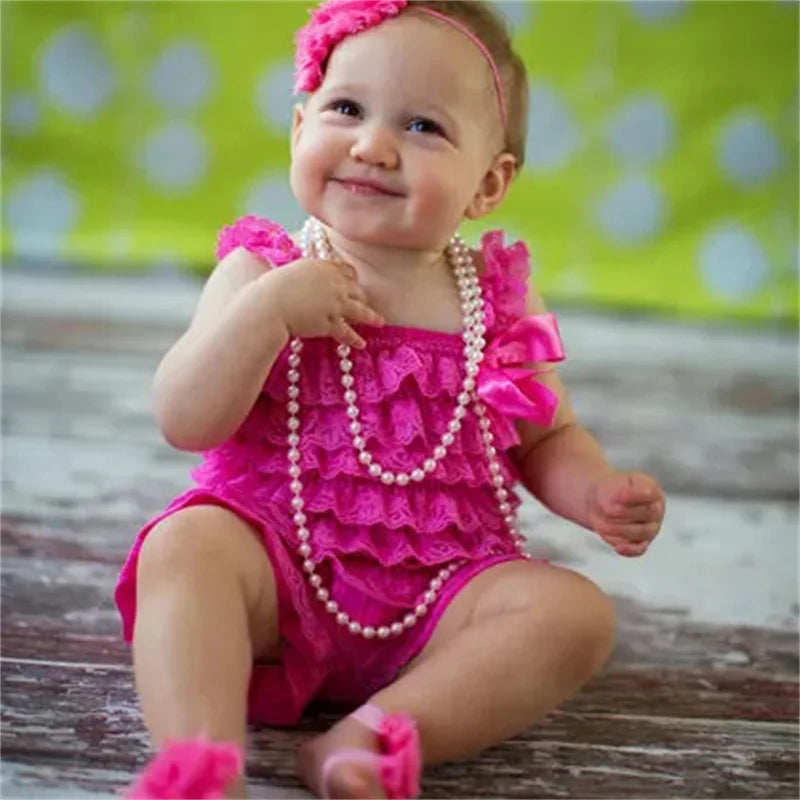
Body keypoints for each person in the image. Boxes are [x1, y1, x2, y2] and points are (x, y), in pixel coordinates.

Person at [116, 1, 666, 798]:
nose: (372, 145)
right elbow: (183, 417)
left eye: (422, 127)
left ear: (489, 183)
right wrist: (266, 318)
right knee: (184, 546)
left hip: (445, 592)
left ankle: (371, 740)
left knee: (575, 616)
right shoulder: (260, 273)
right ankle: (202, 765)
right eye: (346, 109)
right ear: (299, 128)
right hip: (278, 576)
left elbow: (546, 437)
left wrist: (596, 492)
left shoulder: (498, 297)